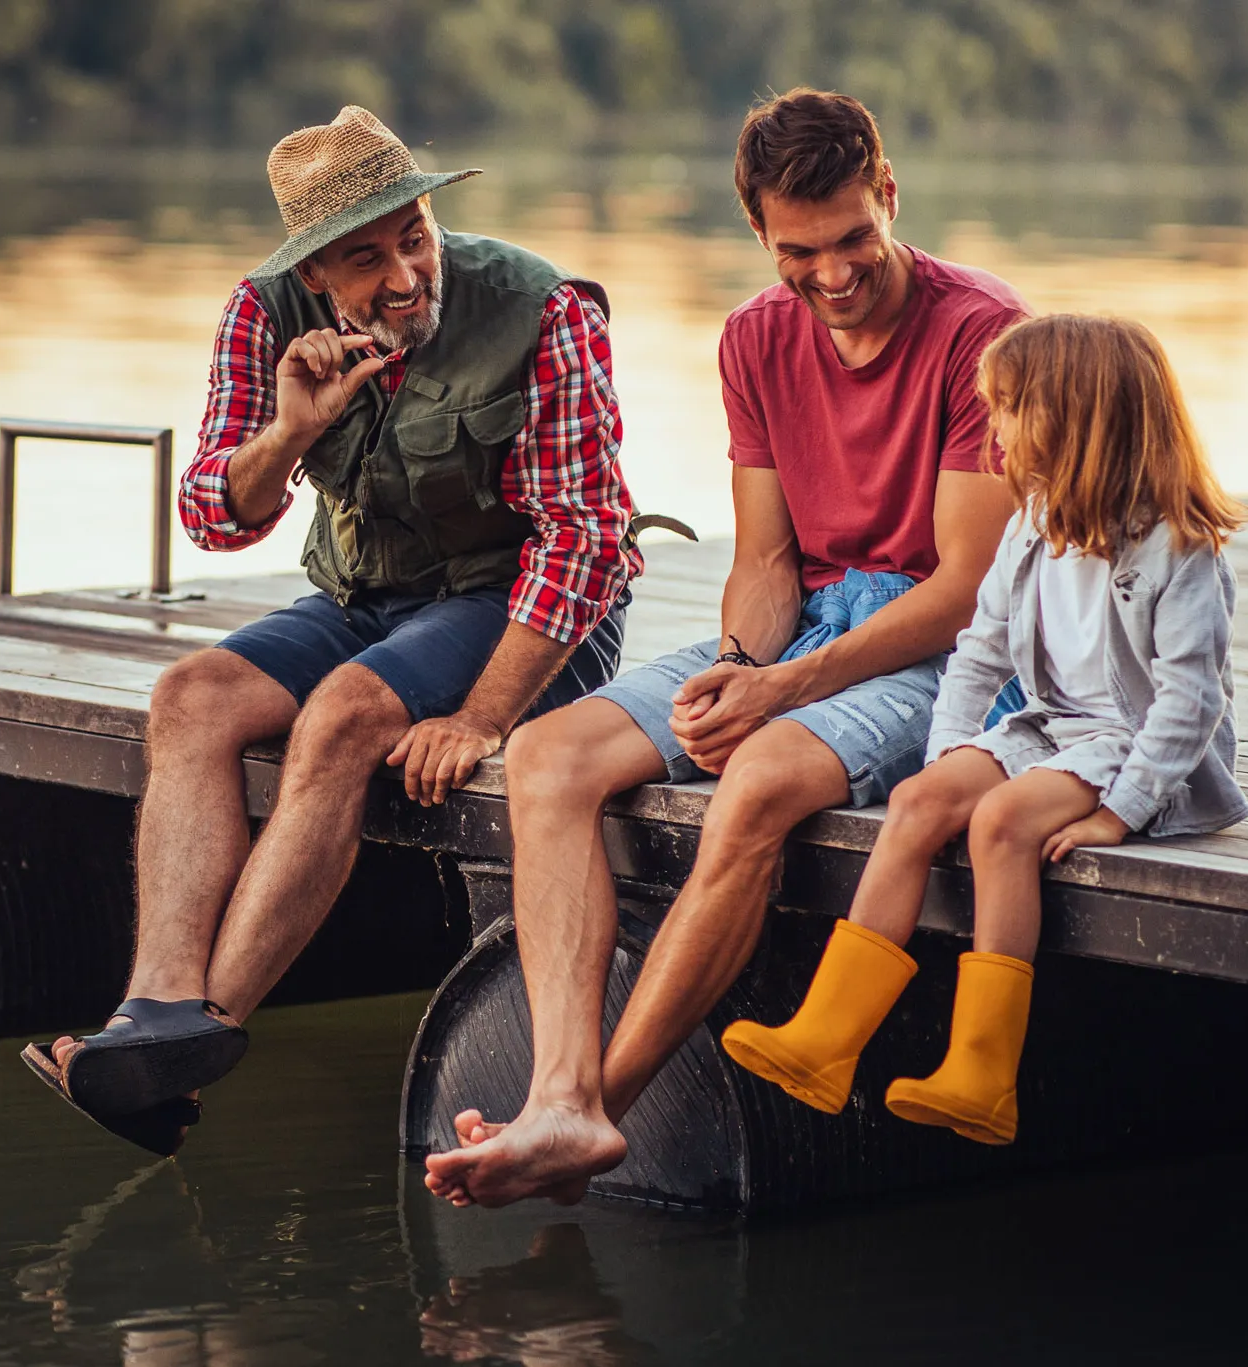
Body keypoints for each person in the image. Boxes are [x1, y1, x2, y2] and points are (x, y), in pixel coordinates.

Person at [425, 88, 1028, 1208]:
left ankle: (594, 1105)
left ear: (888, 196)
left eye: (854, 236)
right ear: (758, 230)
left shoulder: (982, 333)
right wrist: (741, 668)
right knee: (546, 757)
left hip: (954, 654)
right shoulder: (753, 336)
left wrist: (782, 690)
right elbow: (764, 557)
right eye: (801, 251)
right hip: (804, 627)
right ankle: (557, 1090)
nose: (833, 273)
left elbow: (964, 592)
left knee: (755, 781)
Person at [22, 106, 639, 1156]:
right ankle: (155, 1014)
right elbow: (215, 513)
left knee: (344, 713)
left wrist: (483, 715)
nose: (403, 276)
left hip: (526, 608)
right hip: (363, 598)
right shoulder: (260, 315)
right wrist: (290, 428)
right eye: (365, 259)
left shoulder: (542, 308)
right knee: (189, 699)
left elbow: (582, 542)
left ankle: (197, 1035)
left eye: (415, 236)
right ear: (314, 272)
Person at [722, 312, 1248, 1146]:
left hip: (1142, 748)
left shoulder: (1178, 549)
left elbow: (1189, 703)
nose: (993, 426)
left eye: (1007, 407)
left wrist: (1124, 809)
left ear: (1069, 418)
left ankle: (982, 1071)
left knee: (1000, 824)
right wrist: (950, 758)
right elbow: (979, 653)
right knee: (917, 805)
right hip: (1052, 729)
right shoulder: (1032, 525)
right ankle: (826, 1038)